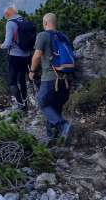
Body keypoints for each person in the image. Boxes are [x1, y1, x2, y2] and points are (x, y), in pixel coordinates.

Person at [29, 12, 73, 143]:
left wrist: (32, 71)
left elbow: (37, 56)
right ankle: (53, 138)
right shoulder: (63, 36)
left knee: (42, 102)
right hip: (65, 80)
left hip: (50, 78)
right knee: (55, 108)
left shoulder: (43, 35)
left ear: (45, 23)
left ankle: (63, 125)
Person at [0, 6, 32, 110]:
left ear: (8, 14)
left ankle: (20, 105)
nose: (5, 17)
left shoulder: (10, 23)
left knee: (12, 82)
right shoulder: (24, 20)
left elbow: (7, 43)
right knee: (22, 80)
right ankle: (25, 103)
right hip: (27, 55)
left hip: (15, 56)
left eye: (5, 15)